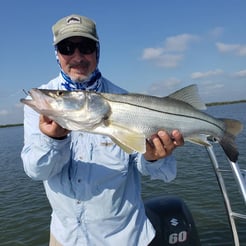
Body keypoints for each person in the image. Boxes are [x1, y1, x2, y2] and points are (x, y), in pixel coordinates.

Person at [21, 14, 184, 246]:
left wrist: (154, 158)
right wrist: (52, 141)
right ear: (57, 54)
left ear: (97, 51)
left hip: (124, 237)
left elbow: (158, 172)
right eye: (67, 47)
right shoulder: (42, 102)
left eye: (86, 47)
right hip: (65, 237)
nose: (77, 56)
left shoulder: (126, 101)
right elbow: (36, 172)